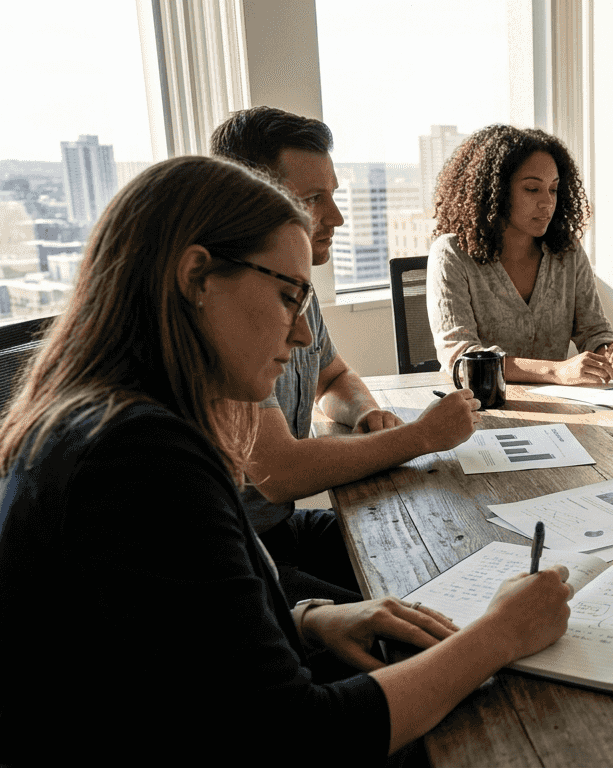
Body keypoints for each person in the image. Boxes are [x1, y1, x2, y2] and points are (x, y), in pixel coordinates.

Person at [0, 156, 573, 765]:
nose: (302, 335)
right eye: (286, 296)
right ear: (197, 277)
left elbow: (164, 644)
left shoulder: (103, 423)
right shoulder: (138, 462)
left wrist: (308, 620)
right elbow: (298, 741)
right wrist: (500, 635)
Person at [211, 106, 475, 603]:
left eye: (333, 195)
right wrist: (422, 436)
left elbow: (331, 377)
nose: (335, 217)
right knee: (417, 616)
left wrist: (366, 412)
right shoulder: (228, 310)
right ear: (246, 201)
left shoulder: (291, 289)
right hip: (234, 557)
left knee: (448, 555)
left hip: (278, 531)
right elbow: (278, 471)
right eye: (312, 199)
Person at [427, 124, 613, 384]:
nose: (547, 202)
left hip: (560, 410)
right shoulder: (452, 253)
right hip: (480, 408)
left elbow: (593, 331)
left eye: (553, 189)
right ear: (496, 192)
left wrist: (610, 351)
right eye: (532, 189)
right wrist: (556, 371)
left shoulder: (567, 251)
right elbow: (462, 357)